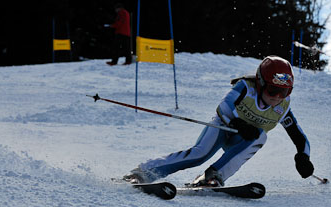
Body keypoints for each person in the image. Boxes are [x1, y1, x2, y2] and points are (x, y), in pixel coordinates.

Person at [124, 56, 314, 186]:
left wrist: (303, 157)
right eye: (273, 90)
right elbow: (224, 107)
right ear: (261, 83)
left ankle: (213, 176)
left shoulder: (282, 107)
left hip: (241, 141)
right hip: (223, 127)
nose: (277, 97)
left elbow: (299, 136)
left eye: (285, 92)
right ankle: (143, 172)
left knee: (260, 136)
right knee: (199, 155)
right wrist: (239, 123)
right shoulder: (246, 88)